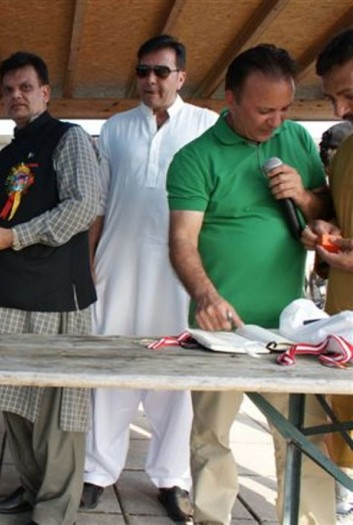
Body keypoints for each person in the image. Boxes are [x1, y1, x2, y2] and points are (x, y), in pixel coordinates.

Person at [167, 44, 334, 524]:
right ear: (231, 99)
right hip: (221, 329)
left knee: (304, 437)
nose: (276, 121)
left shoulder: (297, 139)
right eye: (264, 110)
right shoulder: (195, 157)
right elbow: (181, 241)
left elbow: (324, 210)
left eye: (285, 109)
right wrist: (206, 295)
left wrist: (305, 200)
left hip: (292, 325)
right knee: (212, 440)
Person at [81, 34, 216, 522]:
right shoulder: (115, 128)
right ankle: (97, 471)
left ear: (181, 76)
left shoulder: (207, 125)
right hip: (116, 266)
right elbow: (99, 202)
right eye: (143, 71)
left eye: (161, 71)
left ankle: (171, 478)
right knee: (109, 369)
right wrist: (89, 263)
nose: (151, 80)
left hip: (177, 274)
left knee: (174, 376)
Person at [0, 51, 100, 525]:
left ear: (45, 92)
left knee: (55, 411)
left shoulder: (67, 137)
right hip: (6, 293)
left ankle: (54, 512)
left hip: (53, 296)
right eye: (8, 90)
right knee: (16, 405)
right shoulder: (8, 154)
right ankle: (32, 490)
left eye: (26, 87)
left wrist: (15, 237)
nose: (16, 96)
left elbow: (84, 205)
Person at [303, 28, 353, 525]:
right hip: (344, 325)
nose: (340, 110)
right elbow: (340, 218)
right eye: (332, 98)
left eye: (349, 95)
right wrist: (326, 230)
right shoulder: (347, 151)